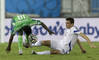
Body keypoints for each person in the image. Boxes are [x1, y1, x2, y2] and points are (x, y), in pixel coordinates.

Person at [31, 17, 96, 55]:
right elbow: (77, 39)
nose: (66, 24)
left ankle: (36, 53)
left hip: (65, 49)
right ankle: (31, 45)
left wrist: (90, 43)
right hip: (59, 43)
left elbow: (83, 35)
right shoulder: (69, 29)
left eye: (67, 23)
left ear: (72, 24)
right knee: (45, 42)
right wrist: (82, 49)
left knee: (54, 52)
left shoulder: (74, 29)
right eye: (66, 23)